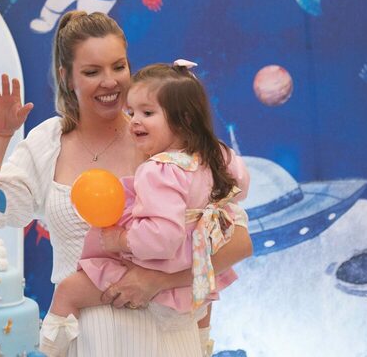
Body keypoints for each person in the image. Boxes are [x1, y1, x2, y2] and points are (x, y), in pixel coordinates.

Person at [0, 11, 253, 357]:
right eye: (92, 72)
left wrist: (157, 281)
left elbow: (238, 243)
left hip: (169, 337)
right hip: (88, 340)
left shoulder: (165, 140)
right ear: (66, 77)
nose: (110, 82)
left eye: (118, 67)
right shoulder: (48, 143)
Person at [39, 61, 249, 357]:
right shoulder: (214, 156)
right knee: (201, 319)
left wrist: (120, 240)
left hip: (155, 266)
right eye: (132, 112)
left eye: (147, 113)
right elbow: (240, 183)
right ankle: (203, 346)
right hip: (193, 275)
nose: (135, 121)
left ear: (184, 120)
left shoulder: (158, 170)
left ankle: (46, 351)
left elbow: (162, 238)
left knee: (68, 290)